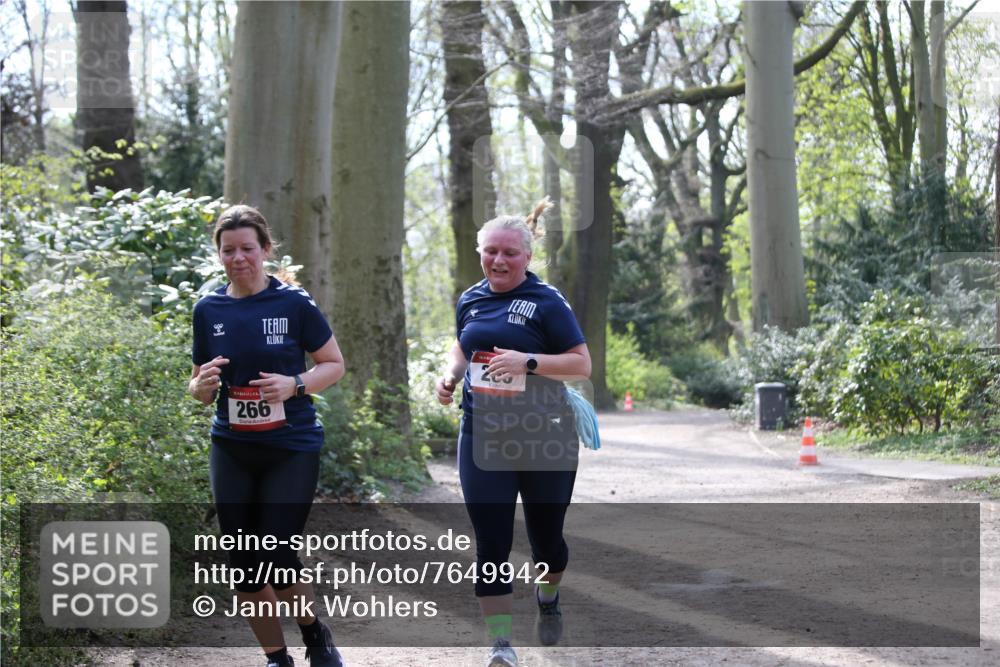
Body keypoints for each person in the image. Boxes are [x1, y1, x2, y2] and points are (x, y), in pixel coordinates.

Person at [435, 197, 592, 667]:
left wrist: (527, 361)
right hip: (483, 434)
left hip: (545, 436)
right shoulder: (471, 298)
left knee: (548, 542)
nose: (498, 261)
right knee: (491, 541)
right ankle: (501, 645)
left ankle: (548, 597)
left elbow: (581, 364)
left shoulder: (547, 302)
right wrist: (449, 375)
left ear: (527, 257)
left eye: (509, 253)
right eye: (490, 252)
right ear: (480, 252)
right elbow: (463, 349)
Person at [189, 205, 346, 667]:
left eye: (247, 248)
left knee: (276, 550)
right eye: (228, 250)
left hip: (290, 446)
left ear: (265, 250)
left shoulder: (294, 304)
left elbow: (334, 364)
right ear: (219, 255)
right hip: (232, 447)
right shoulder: (208, 309)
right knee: (243, 559)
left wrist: (294, 384)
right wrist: (198, 388)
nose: (239, 258)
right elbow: (198, 383)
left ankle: (314, 633)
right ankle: (277, 658)